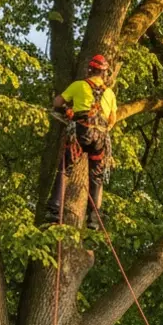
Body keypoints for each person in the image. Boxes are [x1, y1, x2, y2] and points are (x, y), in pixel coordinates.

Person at [48, 53, 117, 229]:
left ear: (90, 70)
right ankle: (94, 219)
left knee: (65, 169)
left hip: (81, 133)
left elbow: (57, 102)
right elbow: (112, 120)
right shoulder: (110, 93)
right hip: (100, 138)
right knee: (96, 177)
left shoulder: (79, 85)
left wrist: (69, 110)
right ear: (104, 73)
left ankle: (54, 210)